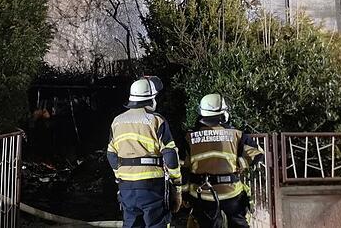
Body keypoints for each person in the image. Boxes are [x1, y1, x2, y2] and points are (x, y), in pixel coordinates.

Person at [107, 76, 182, 228]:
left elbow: (111, 155)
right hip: (152, 187)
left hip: (126, 187)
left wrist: (120, 177)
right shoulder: (156, 121)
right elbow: (170, 155)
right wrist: (177, 185)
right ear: (152, 99)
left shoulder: (117, 121)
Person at [183, 93, 264, 228]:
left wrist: (184, 194)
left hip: (201, 194)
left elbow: (183, 167)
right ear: (223, 113)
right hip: (231, 192)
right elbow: (257, 154)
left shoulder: (189, 137)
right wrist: (240, 164)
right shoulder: (236, 134)